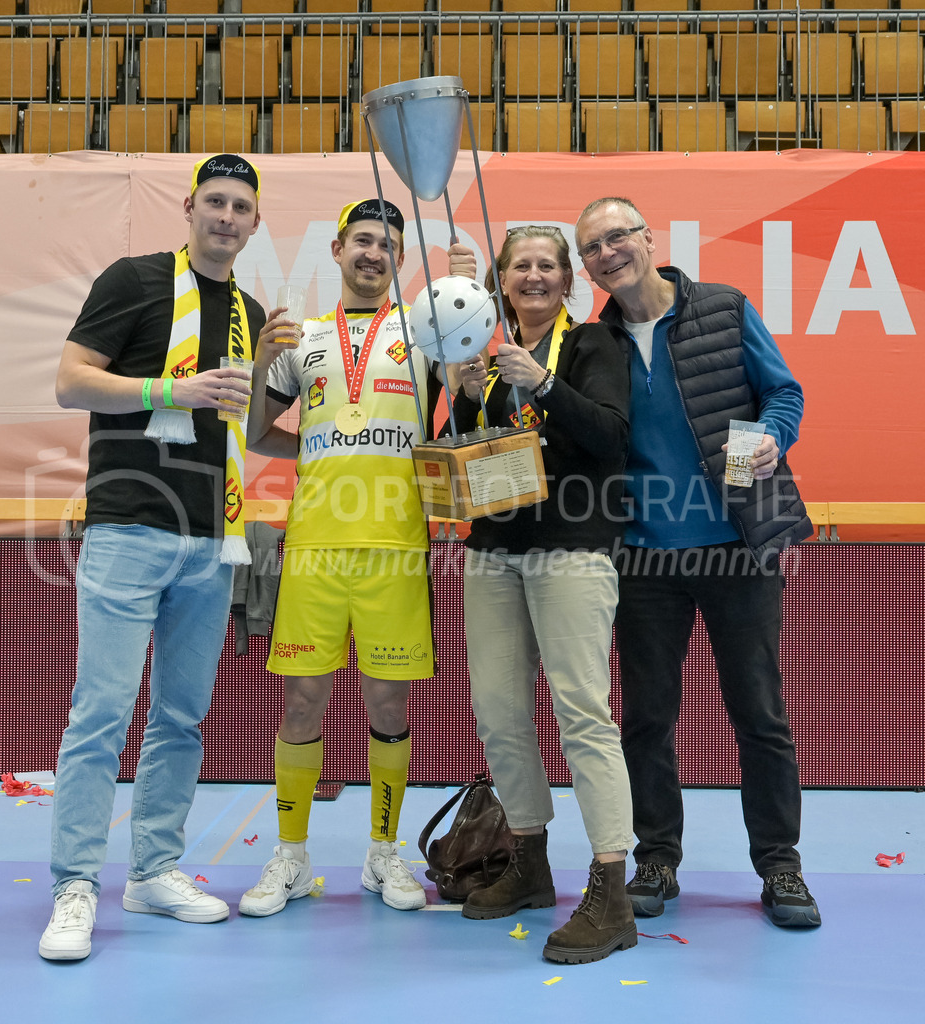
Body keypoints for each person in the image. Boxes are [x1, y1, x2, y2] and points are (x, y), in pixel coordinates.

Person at [41, 154, 291, 962]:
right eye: (214, 201)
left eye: (240, 207)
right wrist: (163, 391)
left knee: (180, 719)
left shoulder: (252, 313)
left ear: (256, 223)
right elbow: (71, 383)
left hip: (212, 539)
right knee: (100, 717)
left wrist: (316, 416)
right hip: (127, 526)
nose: (226, 216)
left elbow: (248, 431)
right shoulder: (135, 279)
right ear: (189, 207)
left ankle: (153, 870)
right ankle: (75, 885)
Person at [574, 197, 821, 929]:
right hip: (643, 557)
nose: (608, 252)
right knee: (645, 720)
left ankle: (781, 867)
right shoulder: (596, 342)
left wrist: (773, 436)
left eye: (618, 236)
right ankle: (657, 858)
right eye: (592, 247)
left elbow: (784, 392)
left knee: (760, 714)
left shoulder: (724, 306)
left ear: (649, 238)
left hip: (738, 548)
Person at [239, 199, 452, 918]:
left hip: (396, 549)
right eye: (362, 240)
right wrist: (264, 358)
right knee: (302, 701)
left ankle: (383, 852)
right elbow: (260, 434)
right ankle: (292, 856)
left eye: (388, 244)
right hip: (316, 549)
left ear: (400, 257)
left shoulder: (426, 335)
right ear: (336, 249)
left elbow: (475, 413)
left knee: (388, 704)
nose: (374, 253)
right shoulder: (304, 338)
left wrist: (471, 302)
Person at [451, 225, 637, 965]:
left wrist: (546, 382)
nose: (533, 275)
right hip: (494, 549)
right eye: (520, 265)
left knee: (584, 715)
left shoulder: (592, 346)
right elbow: (471, 453)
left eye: (546, 266)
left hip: (573, 549)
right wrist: (466, 400)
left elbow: (612, 437)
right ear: (502, 280)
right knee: (498, 712)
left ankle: (610, 888)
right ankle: (527, 859)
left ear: (567, 281)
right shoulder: (490, 360)